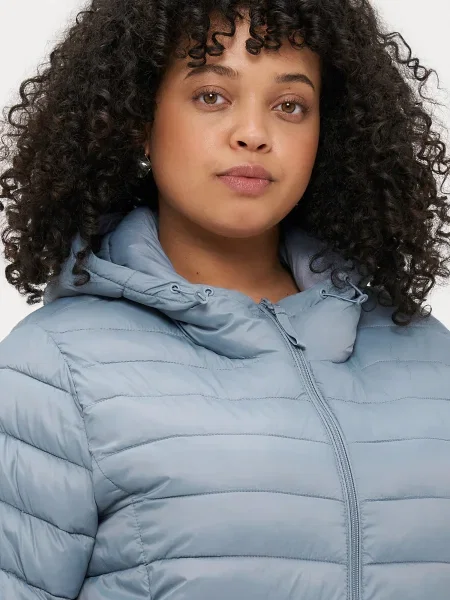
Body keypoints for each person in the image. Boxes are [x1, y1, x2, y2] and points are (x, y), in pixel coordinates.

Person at [1, 0, 450, 598]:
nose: (254, 134)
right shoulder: (52, 372)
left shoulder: (429, 358)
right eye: (211, 95)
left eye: (290, 106)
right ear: (139, 119)